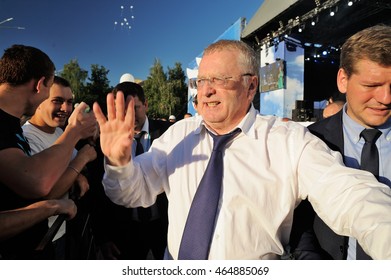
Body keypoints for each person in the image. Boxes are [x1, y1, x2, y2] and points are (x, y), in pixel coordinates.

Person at [93, 39, 391, 260]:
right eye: (202, 81)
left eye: (220, 80)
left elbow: (350, 195)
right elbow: (130, 193)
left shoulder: (289, 142)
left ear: (251, 87)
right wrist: (120, 164)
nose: (206, 90)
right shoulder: (177, 136)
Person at [290, 24, 391, 260]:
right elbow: (300, 224)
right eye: (372, 85)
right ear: (343, 80)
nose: (386, 98)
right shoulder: (310, 140)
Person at [0, 44, 97, 259]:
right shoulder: (17, 128)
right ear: (40, 85)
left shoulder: (10, 124)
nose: (65, 108)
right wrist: (74, 133)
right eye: (52, 94)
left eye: (69, 102)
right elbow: (36, 182)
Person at [91, 81, 171, 260]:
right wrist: (102, 238)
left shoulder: (169, 133)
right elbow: (98, 191)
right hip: (125, 230)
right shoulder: (105, 143)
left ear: (146, 105)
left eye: (135, 108)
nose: (130, 116)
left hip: (167, 225)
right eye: (124, 111)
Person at [22, 75, 97, 259]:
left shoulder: (58, 131)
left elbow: (68, 166)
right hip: (44, 239)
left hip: (64, 229)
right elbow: (46, 193)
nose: (65, 108)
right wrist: (82, 158)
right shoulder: (27, 138)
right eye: (57, 101)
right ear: (39, 101)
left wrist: (77, 174)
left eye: (69, 102)